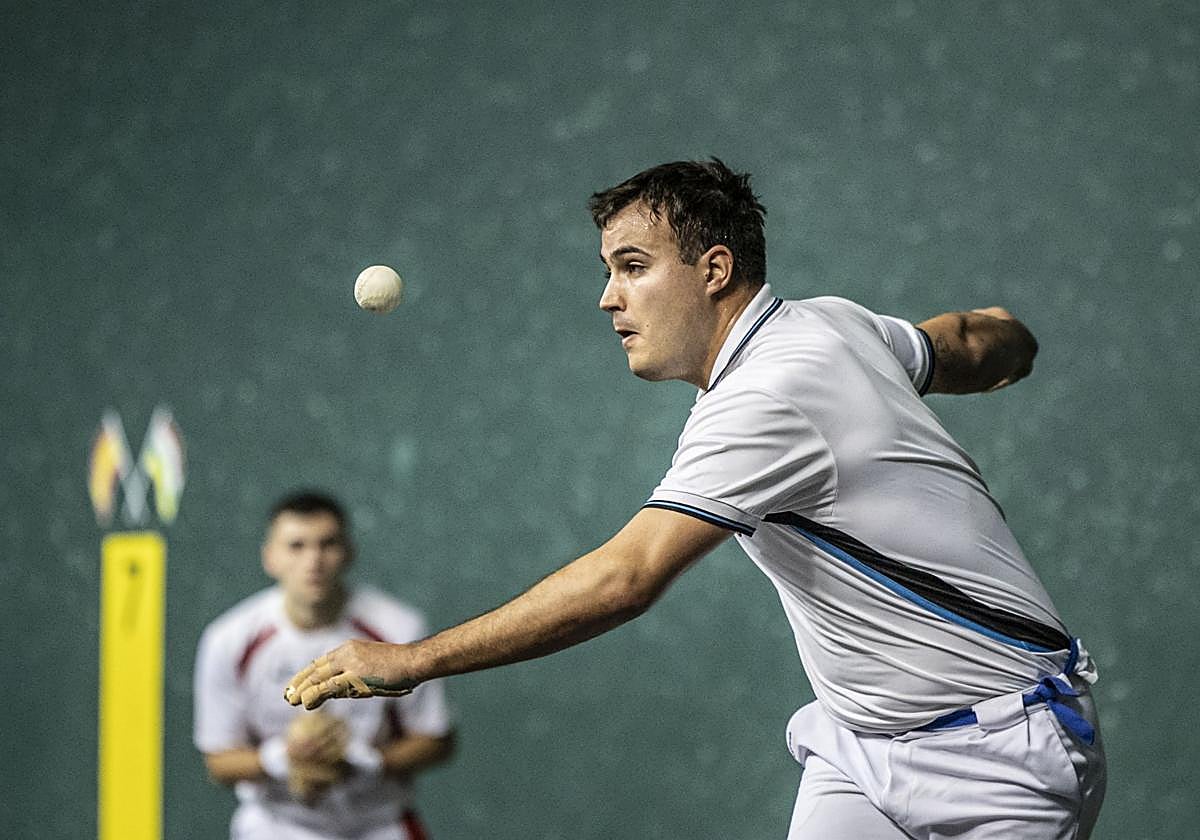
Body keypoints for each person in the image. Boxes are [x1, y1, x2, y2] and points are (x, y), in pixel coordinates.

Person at [283, 160, 1106, 838]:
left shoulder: (764, 396)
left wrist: (410, 662)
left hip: (996, 753)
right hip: (862, 747)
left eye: (633, 268)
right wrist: (1014, 340)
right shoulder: (832, 325)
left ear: (714, 270)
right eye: (609, 271)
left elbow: (625, 580)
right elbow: (963, 340)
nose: (609, 297)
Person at [194, 490, 455, 840]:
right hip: (277, 827)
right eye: (296, 546)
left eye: (327, 544)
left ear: (348, 552)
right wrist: (281, 759)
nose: (313, 560)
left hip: (378, 824)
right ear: (270, 557)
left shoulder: (399, 630)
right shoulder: (229, 640)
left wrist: (370, 762)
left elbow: (436, 740)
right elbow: (218, 761)